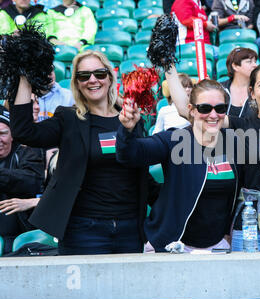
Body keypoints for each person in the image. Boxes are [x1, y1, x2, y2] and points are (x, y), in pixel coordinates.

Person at [10, 50, 161, 255]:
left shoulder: (132, 118)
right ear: (77, 83)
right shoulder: (68, 119)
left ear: (110, 77)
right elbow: (24, 133)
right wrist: (24, 77)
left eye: (99, 73)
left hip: (129, 229)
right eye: (84, 75)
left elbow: (141, 173)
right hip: (83, 230)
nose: (92, 80)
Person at [168, 60, 260, 251]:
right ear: (252, 92)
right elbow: (190, 112)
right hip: (250, 227)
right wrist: (168, 65)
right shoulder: (241, 125)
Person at [116, 79, 242, 253]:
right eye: (205, 108)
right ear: (191, 110)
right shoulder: (175, 139)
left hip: (218, 246)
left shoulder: (234, 142)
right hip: (172, 245)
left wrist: (228, 235)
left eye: (220, 109)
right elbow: (131, 155)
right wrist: (127, 130)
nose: (213, 115)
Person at [0, 106, 45, 255]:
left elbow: (32, 182)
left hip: (19, 235)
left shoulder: (27, 153)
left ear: (12, 135)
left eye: (3, 134)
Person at [220, 47, 258, 118]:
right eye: (249, 62)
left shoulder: (259, 89)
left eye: (255, 61)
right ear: (235, 66)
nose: (255, 65)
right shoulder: (220, 89)